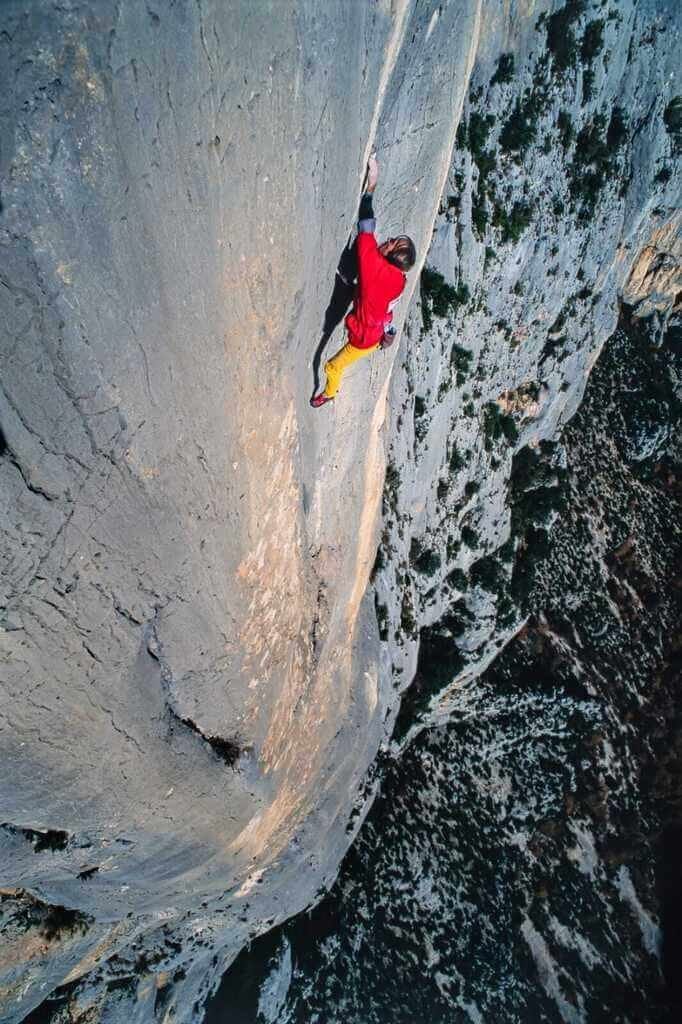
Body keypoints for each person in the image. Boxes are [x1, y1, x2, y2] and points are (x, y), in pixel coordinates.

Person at [311, 154, 416, 408]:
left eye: (392, 243)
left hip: (363, 340)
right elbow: (385, 304)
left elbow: (366, 225)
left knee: (331, 366)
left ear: (389, 257)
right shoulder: (399, 280)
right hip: (376, 333)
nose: (388, 240)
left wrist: (371, 186)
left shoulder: (374, 268)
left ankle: (330, 394)